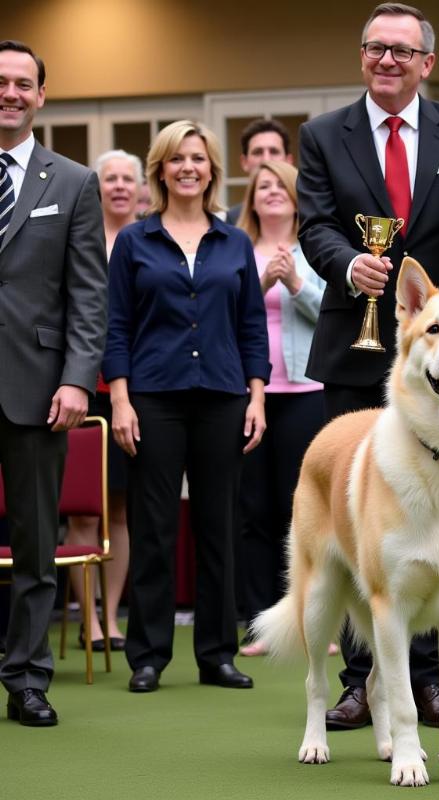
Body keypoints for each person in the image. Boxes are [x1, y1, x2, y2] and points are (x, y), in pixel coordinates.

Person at [297, 2, 439, 728]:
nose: (386, 60)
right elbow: (313, 223)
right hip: (355, 346)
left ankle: (430, 686)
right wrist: (345, 263)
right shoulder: (324, 133)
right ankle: (364, 683)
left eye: (401, 50)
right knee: (369, 528)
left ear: (427, 61)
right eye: (374, 48)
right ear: (362, 57)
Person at [103, 120, 269, 694]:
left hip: (224, 395)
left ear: (212, 169)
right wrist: (120, 399)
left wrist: (257, 395)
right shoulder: (133, 241)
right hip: (152, 398)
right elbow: (116, 325)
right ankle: (148, 656)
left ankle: (217, 655)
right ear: (161, 170)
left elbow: (252, 325)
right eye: (176, 159)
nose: (188, 168)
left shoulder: (235, 242)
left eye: (197, 158)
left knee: (218, 527)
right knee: (152, 528)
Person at [0, 40, 107, 726]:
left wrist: (77, 380)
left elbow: (89, 295)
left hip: (38, 389)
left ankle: (28, 679)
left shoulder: (72, 181)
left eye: (21, 84)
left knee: (37, 547)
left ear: (41, 96)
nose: (9, 93)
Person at [233, 160, 326, 656]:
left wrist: (294, 282)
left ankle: (314, 622)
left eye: (280, 186)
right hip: (252, 396)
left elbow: (336, 311)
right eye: (262, 186)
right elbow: (223, 315)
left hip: (308, 393)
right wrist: (261, 283)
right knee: (254, 511)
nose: (271, 192)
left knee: (306, 513)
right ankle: (261, 626)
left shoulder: (315, 248)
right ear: (251, 198)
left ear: (295, 196)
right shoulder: (236, 248)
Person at [64, 149, 142, 653]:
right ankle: (87, 618)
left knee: (120, 512)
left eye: (126, 179)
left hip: (134, 395)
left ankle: (112, 618)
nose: (117, 186)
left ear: (141, 189)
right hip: (79, 390)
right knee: (81, 513)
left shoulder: (148, 241)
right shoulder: (81, 234)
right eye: (108, 178)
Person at [225, 118, 293, 225]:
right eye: (258, 152)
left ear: (289, 161)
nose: (266, 159)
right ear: (244, 162)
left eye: (274, 152)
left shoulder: (309, 214)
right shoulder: (233, 219)